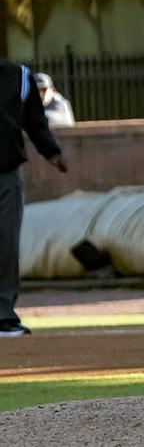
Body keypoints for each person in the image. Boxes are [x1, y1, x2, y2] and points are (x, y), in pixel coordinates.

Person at [0, 60, 68, 337]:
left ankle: (3, 314)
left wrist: (51, 151)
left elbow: (35, 122)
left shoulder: (18, 76)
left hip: (5, 172)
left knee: (6, 243)